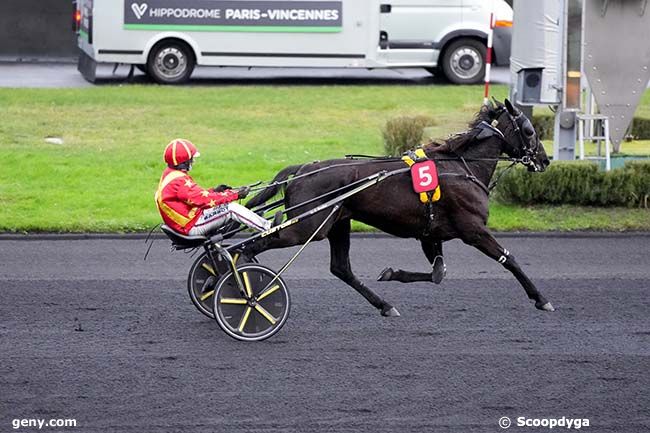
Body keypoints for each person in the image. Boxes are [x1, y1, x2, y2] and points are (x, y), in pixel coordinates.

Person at [155, 138, 278, 236]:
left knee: (227, 206)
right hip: (192, 225)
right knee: (231, 208)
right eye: (191, 159)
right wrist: (235, 194)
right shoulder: (178, 181)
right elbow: (204, 200)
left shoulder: (170, 174)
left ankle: (259, 222)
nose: (193, 161)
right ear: (184, 162)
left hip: (190, 220)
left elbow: (196, 196)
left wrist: (215, 191)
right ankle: (268, 227)